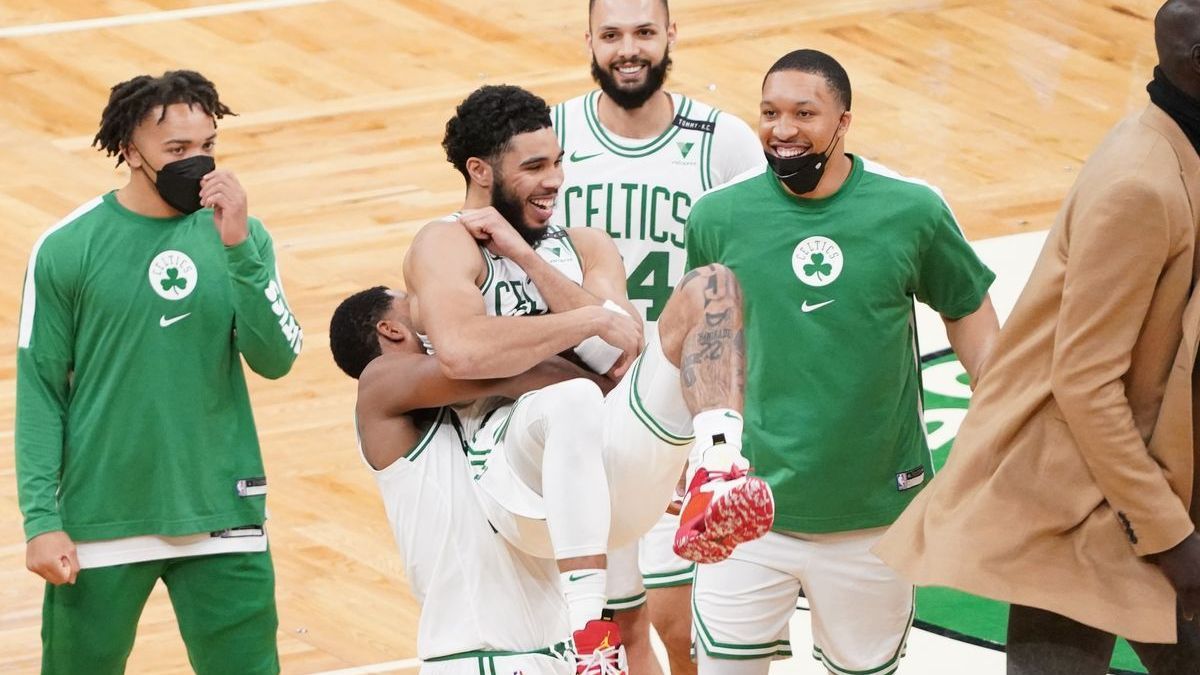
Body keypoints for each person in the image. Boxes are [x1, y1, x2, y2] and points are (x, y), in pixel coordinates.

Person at [403, 83, 774, 673]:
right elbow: (464, 352)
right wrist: (584, 320)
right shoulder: (443, 243)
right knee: (571, 393)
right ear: (479, 170)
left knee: (712, 286)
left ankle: (720, 468)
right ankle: (587, 636)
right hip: (520, 486)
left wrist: (527, 259)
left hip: (614, 474)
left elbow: (621, 348)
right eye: (533, 167)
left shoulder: (584, 244)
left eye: (557, 162)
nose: (554, 180)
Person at [875, 2, 1200, 672]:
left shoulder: (1179, 141)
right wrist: (1170, 534)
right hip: (1080, 499)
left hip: (1129, 485)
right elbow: (1085, 381)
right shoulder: (1140, 185)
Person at [684, 50, 998, 675]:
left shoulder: (912, 211)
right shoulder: (717, 216)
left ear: (844, 121)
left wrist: (1004, 428)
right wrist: (688, 456)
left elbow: (970, 315)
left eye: (805, 113)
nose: (783, 128)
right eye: (770, 113)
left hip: (874, 517)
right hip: (747, 515)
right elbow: (700, 341)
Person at [16, 70, 301, 674]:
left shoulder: (242, 239)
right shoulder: (68, 247)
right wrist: (41, 521)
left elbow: (276, 360)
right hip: (102, 518)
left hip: (223, 510)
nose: (198, 165)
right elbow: (41, 392)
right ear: (129, 150)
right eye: (177, 150)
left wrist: (239, 247)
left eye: (207, 148)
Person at [552, 1, 765, 669]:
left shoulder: (722, 140)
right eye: (612, 35)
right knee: (615, 625)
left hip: (682, 400)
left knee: (683, 625)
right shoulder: (549, 135)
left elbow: (754, 273)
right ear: (587, 39)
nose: (628, 49)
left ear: (672, 34)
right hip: (585, 400)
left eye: (644, 32)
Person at [329, 286, 593, 674]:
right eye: (413, 304)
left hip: (554, 652)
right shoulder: (379, 381)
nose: (430, 310)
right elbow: (516, 368)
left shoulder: (467, 396)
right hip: (478, 658)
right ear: (391, 330)